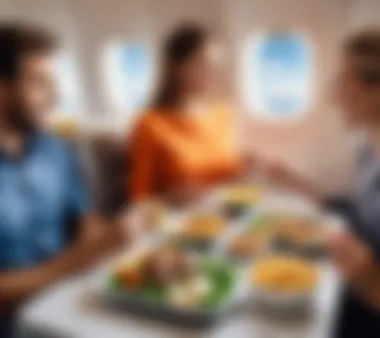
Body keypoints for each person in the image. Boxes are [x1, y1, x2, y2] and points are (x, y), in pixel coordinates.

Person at [0, 24, 144, 337]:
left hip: (69, 301)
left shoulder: (54, 149)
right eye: (40, 83)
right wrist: (76, 262)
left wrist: (102, 241)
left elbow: (83, 217)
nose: (57, 97)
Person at [267, 29, 380, 337]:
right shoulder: (368, 151)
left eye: (342, 80)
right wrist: (296, 183)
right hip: (352, 284)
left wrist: (370, 281)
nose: (333, 95)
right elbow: (358, 213)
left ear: (375, 89)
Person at [128, 23, 256, 204]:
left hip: (229, 210)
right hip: (182, 221)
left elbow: (229, 172)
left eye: (215, 64)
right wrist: (169, 198)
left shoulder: (224, 115)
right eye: (203, 63)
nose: (212, 72)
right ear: (176, 68)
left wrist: (248, 169)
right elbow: (139, 198)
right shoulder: (149, 124)